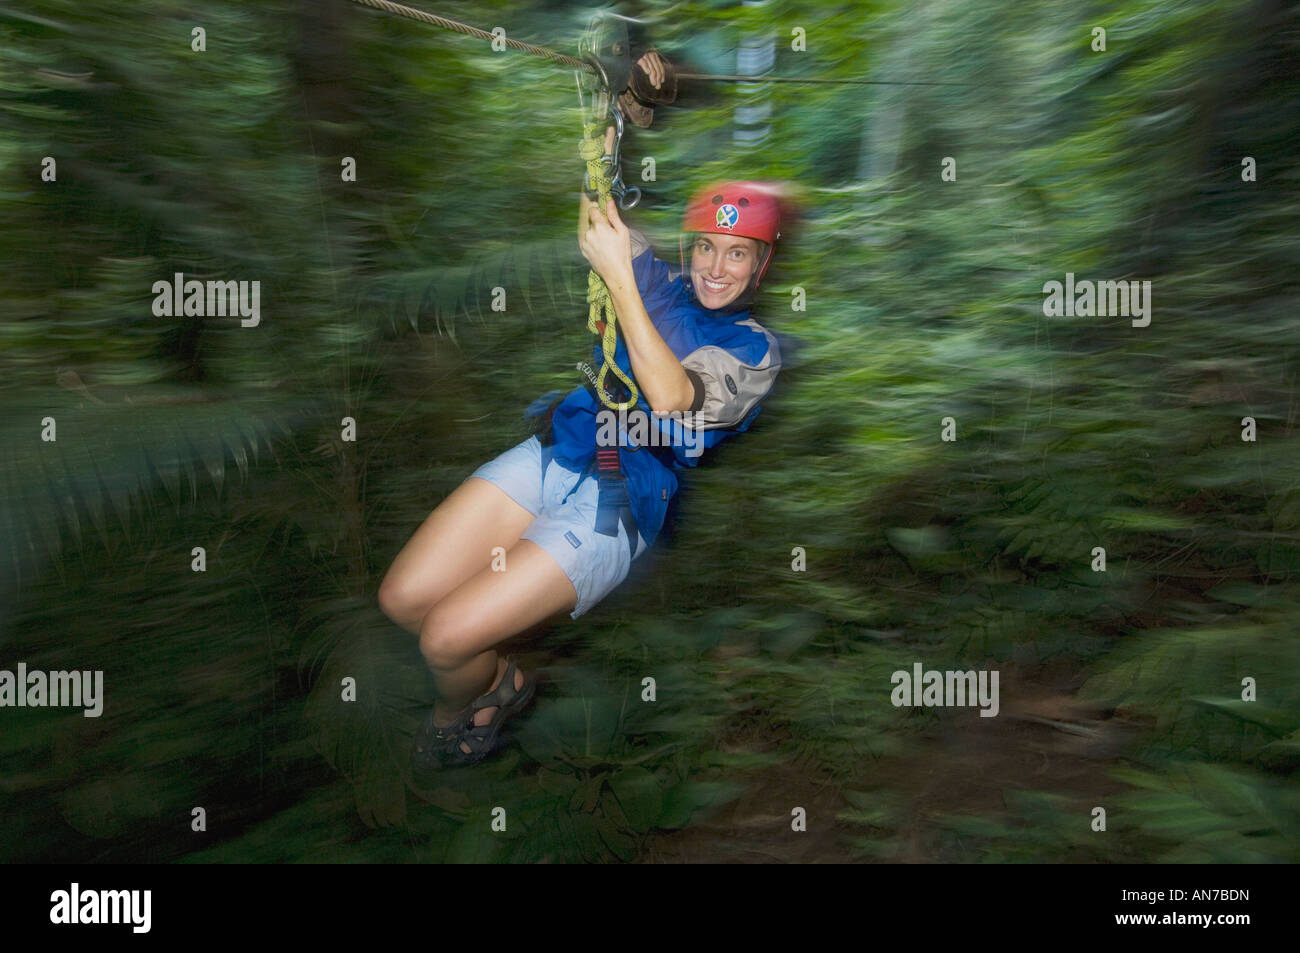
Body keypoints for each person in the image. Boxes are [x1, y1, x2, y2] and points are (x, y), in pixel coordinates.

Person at [379, 99, 787, 769]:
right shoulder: (665, 284)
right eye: (708, 246)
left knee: (445, 640)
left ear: (760, 266)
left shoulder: (754, 352)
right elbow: (600, 223)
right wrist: (618, 110)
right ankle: (492, 676)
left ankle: (474, 704)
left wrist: (624, 282)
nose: (717, 266)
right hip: (561, 447)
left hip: (616, 505)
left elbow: (670, 394)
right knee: (404, 599)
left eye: (738, 253)